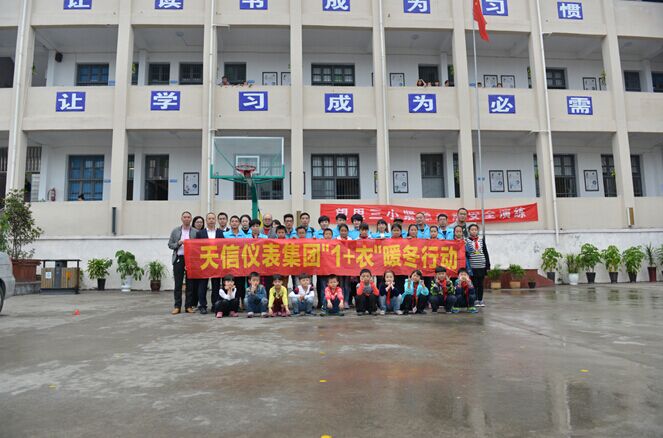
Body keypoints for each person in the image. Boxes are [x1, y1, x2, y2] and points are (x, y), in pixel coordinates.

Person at [194, 212, 225, 314]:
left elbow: (223, 247)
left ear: (215, 220)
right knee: (202, 285)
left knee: (216, 285)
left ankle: (215, 305)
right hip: (204, 262)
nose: (211, 220)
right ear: (206, 221)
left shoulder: (220, 233)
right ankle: (202, 305)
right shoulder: (200, 233)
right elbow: (197, 248)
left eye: (213, 219)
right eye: (209, 219)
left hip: (216, 262)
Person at [168, 211, 196, 315]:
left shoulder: (195, 232)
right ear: (181, 218)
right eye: (185, 217)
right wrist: (178, 243)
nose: (186, 219)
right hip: (179, 258)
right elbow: (170, 244)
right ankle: (177, 306)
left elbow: (199, 246)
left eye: (188, 217)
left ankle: (188, 306)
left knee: (190, 284)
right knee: (178, 283)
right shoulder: (175, 231)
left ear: (191, 219)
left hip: (191, 260)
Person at [224, 216, 247, 308]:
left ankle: (241, 302)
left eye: (236, 221)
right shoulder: (225, 235)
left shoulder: (244, 235)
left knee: (241, 284)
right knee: (231, 283)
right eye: (232, 221)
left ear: (239, 223)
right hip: (229, 262)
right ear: (230, 223)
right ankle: (232, 303)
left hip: (241, 263)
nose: (234, 223)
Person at [466, 223, 490, 308]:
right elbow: (466, 252)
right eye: (472, 230)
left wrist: (487, 265)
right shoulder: (467, 241)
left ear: (477, 231)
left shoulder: (481, 240)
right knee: (474, 284)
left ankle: (480, 299)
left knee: (480, 284)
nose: (474, 231)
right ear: (469, 231)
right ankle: (475, 299)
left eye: (475, 230)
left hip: (481, 265)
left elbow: (485, 252)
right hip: (473, 266)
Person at [189, 215, 205, 309]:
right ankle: (193, 303)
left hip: (204, 260)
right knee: (193, 284)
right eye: (197, 222)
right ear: (194, 223)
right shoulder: (191, 233)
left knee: (201, 284)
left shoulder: (204, 233)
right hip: (194, 260)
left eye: (201, 222)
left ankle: (200, 303)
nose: (199, 224)